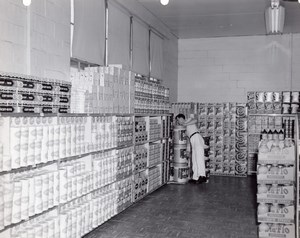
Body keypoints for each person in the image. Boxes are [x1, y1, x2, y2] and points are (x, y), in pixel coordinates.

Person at [175, 114, 207, 183]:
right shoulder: (185, 125)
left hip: (197, 137)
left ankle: (202, 176)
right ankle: (195, 178)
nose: (178, 122)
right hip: (192, 139)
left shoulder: (188, 121)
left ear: (181, 118)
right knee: (194, 159)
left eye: (178, 120)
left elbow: (195, 120)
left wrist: (186, 123)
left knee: (199, 158)